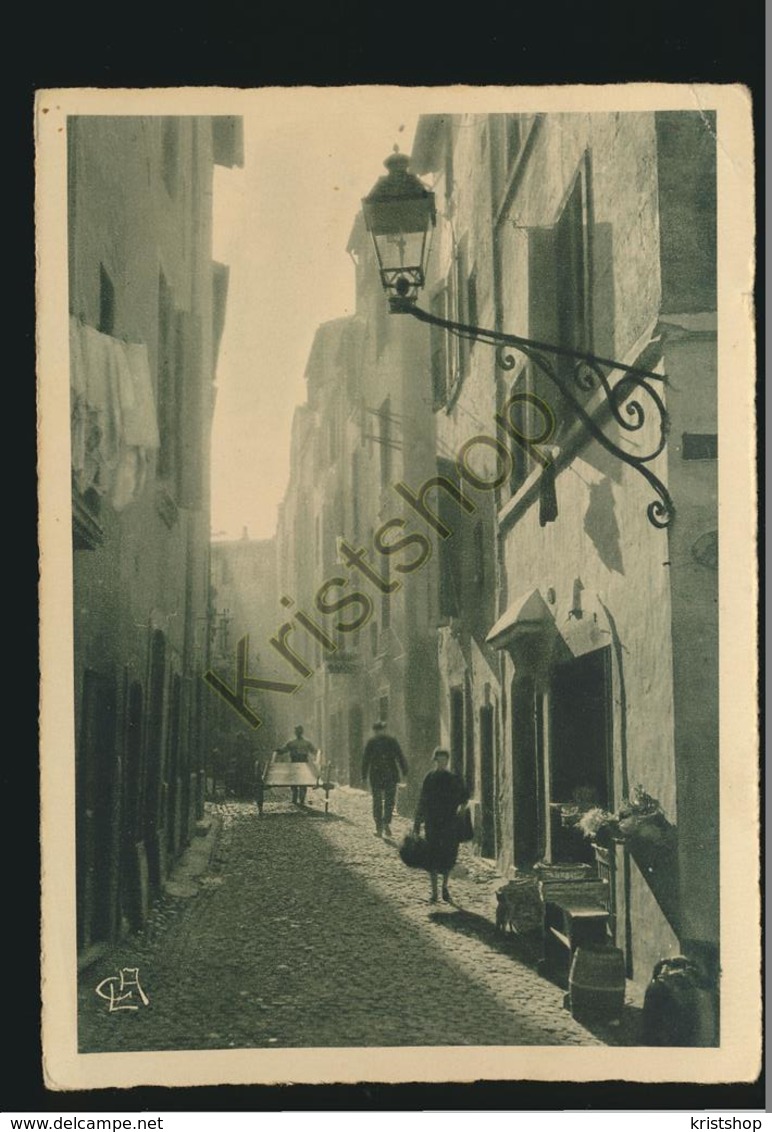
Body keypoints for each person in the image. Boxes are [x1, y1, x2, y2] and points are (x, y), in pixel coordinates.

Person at [413, 748, 470, 904]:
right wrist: (417, 822)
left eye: (444, 759)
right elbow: (422, 800)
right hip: (432, 823)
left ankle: (445, 888)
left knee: (448, 856)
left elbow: (464, 798)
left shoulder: (454, 778)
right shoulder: (429, 778)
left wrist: (461, 811)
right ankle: (434, 892)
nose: (442, 762)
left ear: (447, 761)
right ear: (435, 760)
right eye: (439, 759)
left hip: (449, 824)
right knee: (431, 856)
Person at [361, 720, 408, 838]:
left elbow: (399, 755)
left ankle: (386, 823)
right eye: (377, 730)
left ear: (383, 730)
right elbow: (366, 759)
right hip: (377, 776)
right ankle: (379, 826)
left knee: (389, 801)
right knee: (377, 802)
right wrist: (363, 775)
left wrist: (404, 770)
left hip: (389, 775)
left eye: (381, 730)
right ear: (375, 731)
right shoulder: (371, 743)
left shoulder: (392, 741)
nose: (379, 732)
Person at [277, 724, 318, 804]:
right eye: (297, 731)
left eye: (299, 731)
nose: (298, 733)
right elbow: (284, 750)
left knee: (301, 782)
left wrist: (279, 751)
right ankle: (296, 798)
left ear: (301, 732)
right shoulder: (293, 743)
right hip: (295, 763)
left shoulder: (303, 743)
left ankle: (300, 799)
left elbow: (313, 751)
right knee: (295, 782)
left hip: (303, 764)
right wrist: (279, 751)